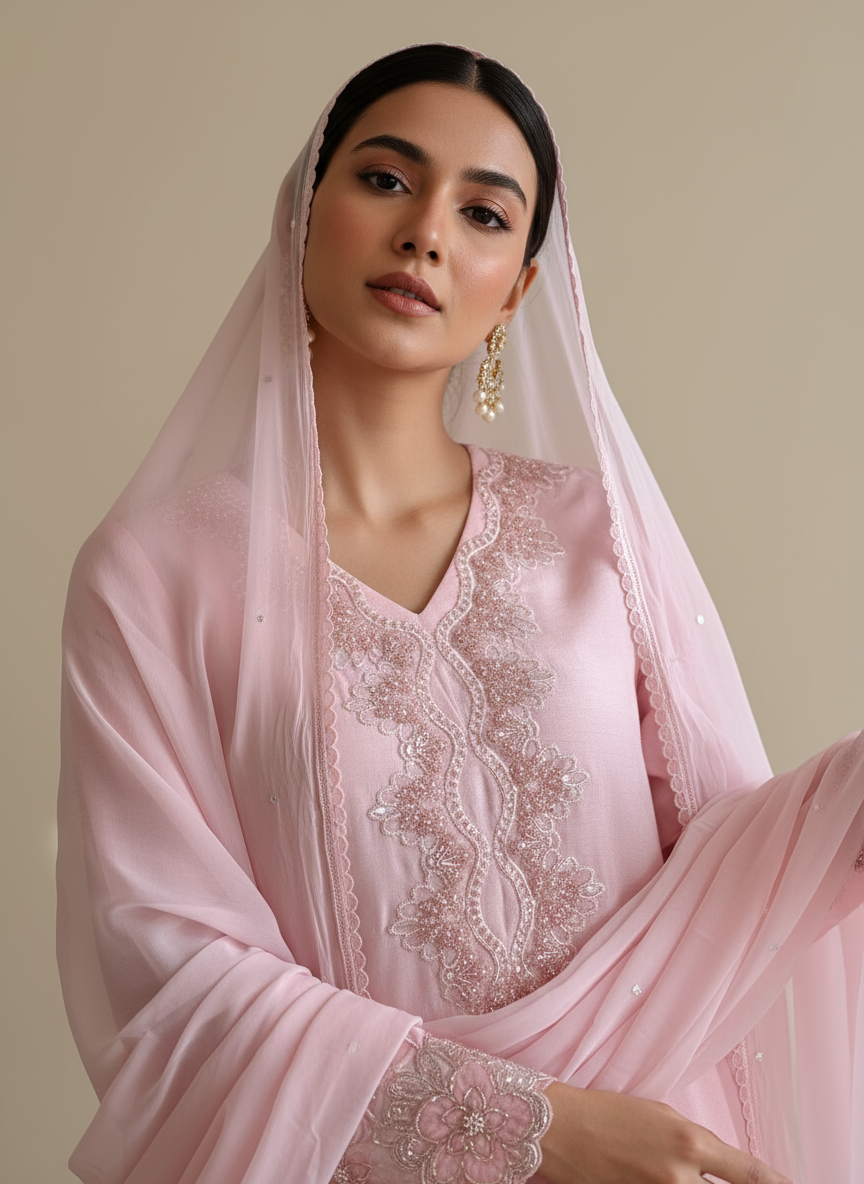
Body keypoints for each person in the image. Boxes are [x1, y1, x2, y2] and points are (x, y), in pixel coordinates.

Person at [56, 44, 864, 1184]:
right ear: (301, 213)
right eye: (385, 179)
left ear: (519, 290)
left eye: (485, 212)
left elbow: (719, 859)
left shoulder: (593, 536)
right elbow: (172, 957)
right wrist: (531, 1130)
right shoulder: (154, 575)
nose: (427, 231)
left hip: (659, 1143)